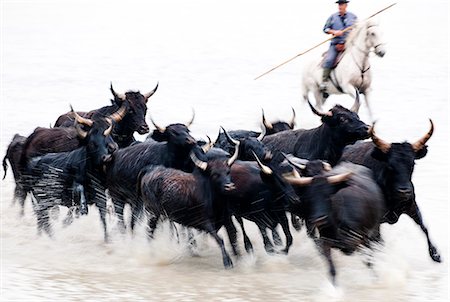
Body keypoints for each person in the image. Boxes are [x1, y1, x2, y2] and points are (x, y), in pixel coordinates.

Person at [320, 0, 358, 94]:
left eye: (342, 4)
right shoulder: (332, 17)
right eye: (339, 5)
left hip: (348, 44)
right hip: (336, 44)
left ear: (346, 5)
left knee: (358, 58)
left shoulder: (353, 17)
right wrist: (334, 32)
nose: (340, 6)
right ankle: (324, 82)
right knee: (329, 60)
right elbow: (325, 29)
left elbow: (358, 28)